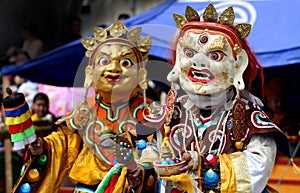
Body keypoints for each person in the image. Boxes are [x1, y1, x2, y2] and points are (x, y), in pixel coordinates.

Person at [10, 20, 165, 193]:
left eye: (126, 62)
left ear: (141, 73)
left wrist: (140, 172)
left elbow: (161, 155)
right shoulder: (84, 113)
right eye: (104, 61)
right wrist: (42, 147)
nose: (113, 68)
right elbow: (61, 144)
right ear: (90, 72)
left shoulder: (152, 113)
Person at [157, 4, 291, 193]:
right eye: (189, 53)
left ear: (238, 64)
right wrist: (144, 164)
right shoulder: (173, 112)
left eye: (215, 55)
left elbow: (258, 168)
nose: (198, 62)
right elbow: (156, 155)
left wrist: (203, 164)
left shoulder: (248, 116)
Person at [264, 77, 300, 153]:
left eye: (282, 100)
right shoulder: (264, 119)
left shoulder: (292, 116)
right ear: (269, 103)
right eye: (276, 102)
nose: (280, 104)